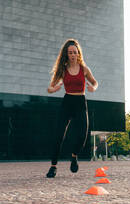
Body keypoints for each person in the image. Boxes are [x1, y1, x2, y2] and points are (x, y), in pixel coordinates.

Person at [46, 39, 98, 178]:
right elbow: (49, 88)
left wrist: (93, 88)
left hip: (80, 101)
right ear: (67, 54)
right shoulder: (62, 70)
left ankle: (74, 156)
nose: (73, 54)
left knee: (82, 135)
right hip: (67, 101)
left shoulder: (85, 69)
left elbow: (95, 82)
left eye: (75, 52)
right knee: (59, 135)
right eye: (70, 52)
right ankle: (53, 166)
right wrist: (54, 89)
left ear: (78, 53)